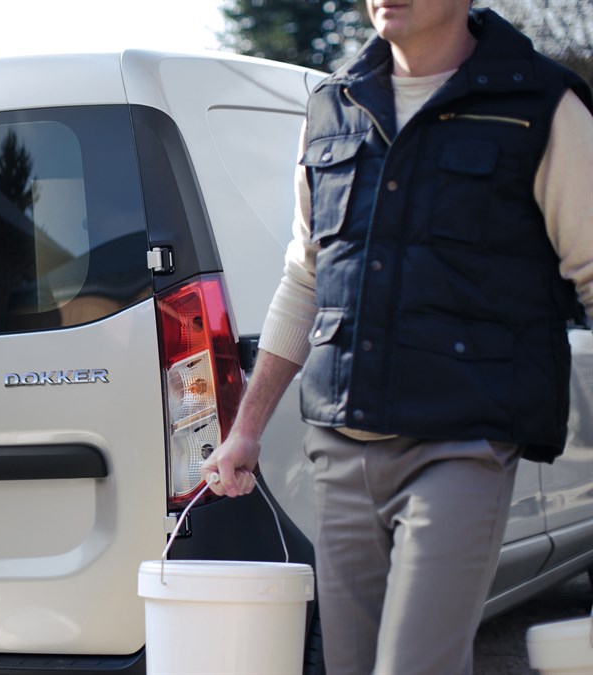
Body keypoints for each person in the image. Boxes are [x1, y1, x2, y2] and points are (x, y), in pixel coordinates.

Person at [201, 2, 593, 674]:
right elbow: (304, 279)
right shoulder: (331, 107)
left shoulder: (543, 105)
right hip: (342, 444)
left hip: (464, 444)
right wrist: (246, 428)